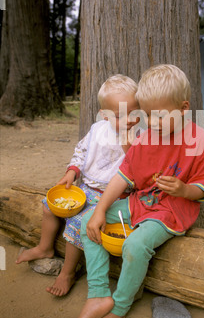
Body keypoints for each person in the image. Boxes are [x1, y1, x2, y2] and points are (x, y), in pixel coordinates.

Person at [66, 64, 204, 318]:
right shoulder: (147, 136)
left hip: (172, 211)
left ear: (184, 108)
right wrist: (100, 210)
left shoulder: (197, 139)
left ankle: (120, 306)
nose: (154, 122)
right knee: (89, 222)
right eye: (147, 115)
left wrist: (184, 189)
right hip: (140, 202)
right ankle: (99, 295)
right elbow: (123, 177)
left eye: (160, 116)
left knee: (135, 245)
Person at [16, 74, 140, 297]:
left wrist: (128, 144)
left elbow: (137, 170)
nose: (130, 119)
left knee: (76, 223)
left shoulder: (140, 137)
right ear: (104, 115)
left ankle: (68, 272)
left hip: (113, 198)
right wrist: (72, 171)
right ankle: (45, 247)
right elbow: (81, 151)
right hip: (86, 188)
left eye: (134, 112)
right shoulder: (97, 129)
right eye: (120, 115)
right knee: (48, 206)